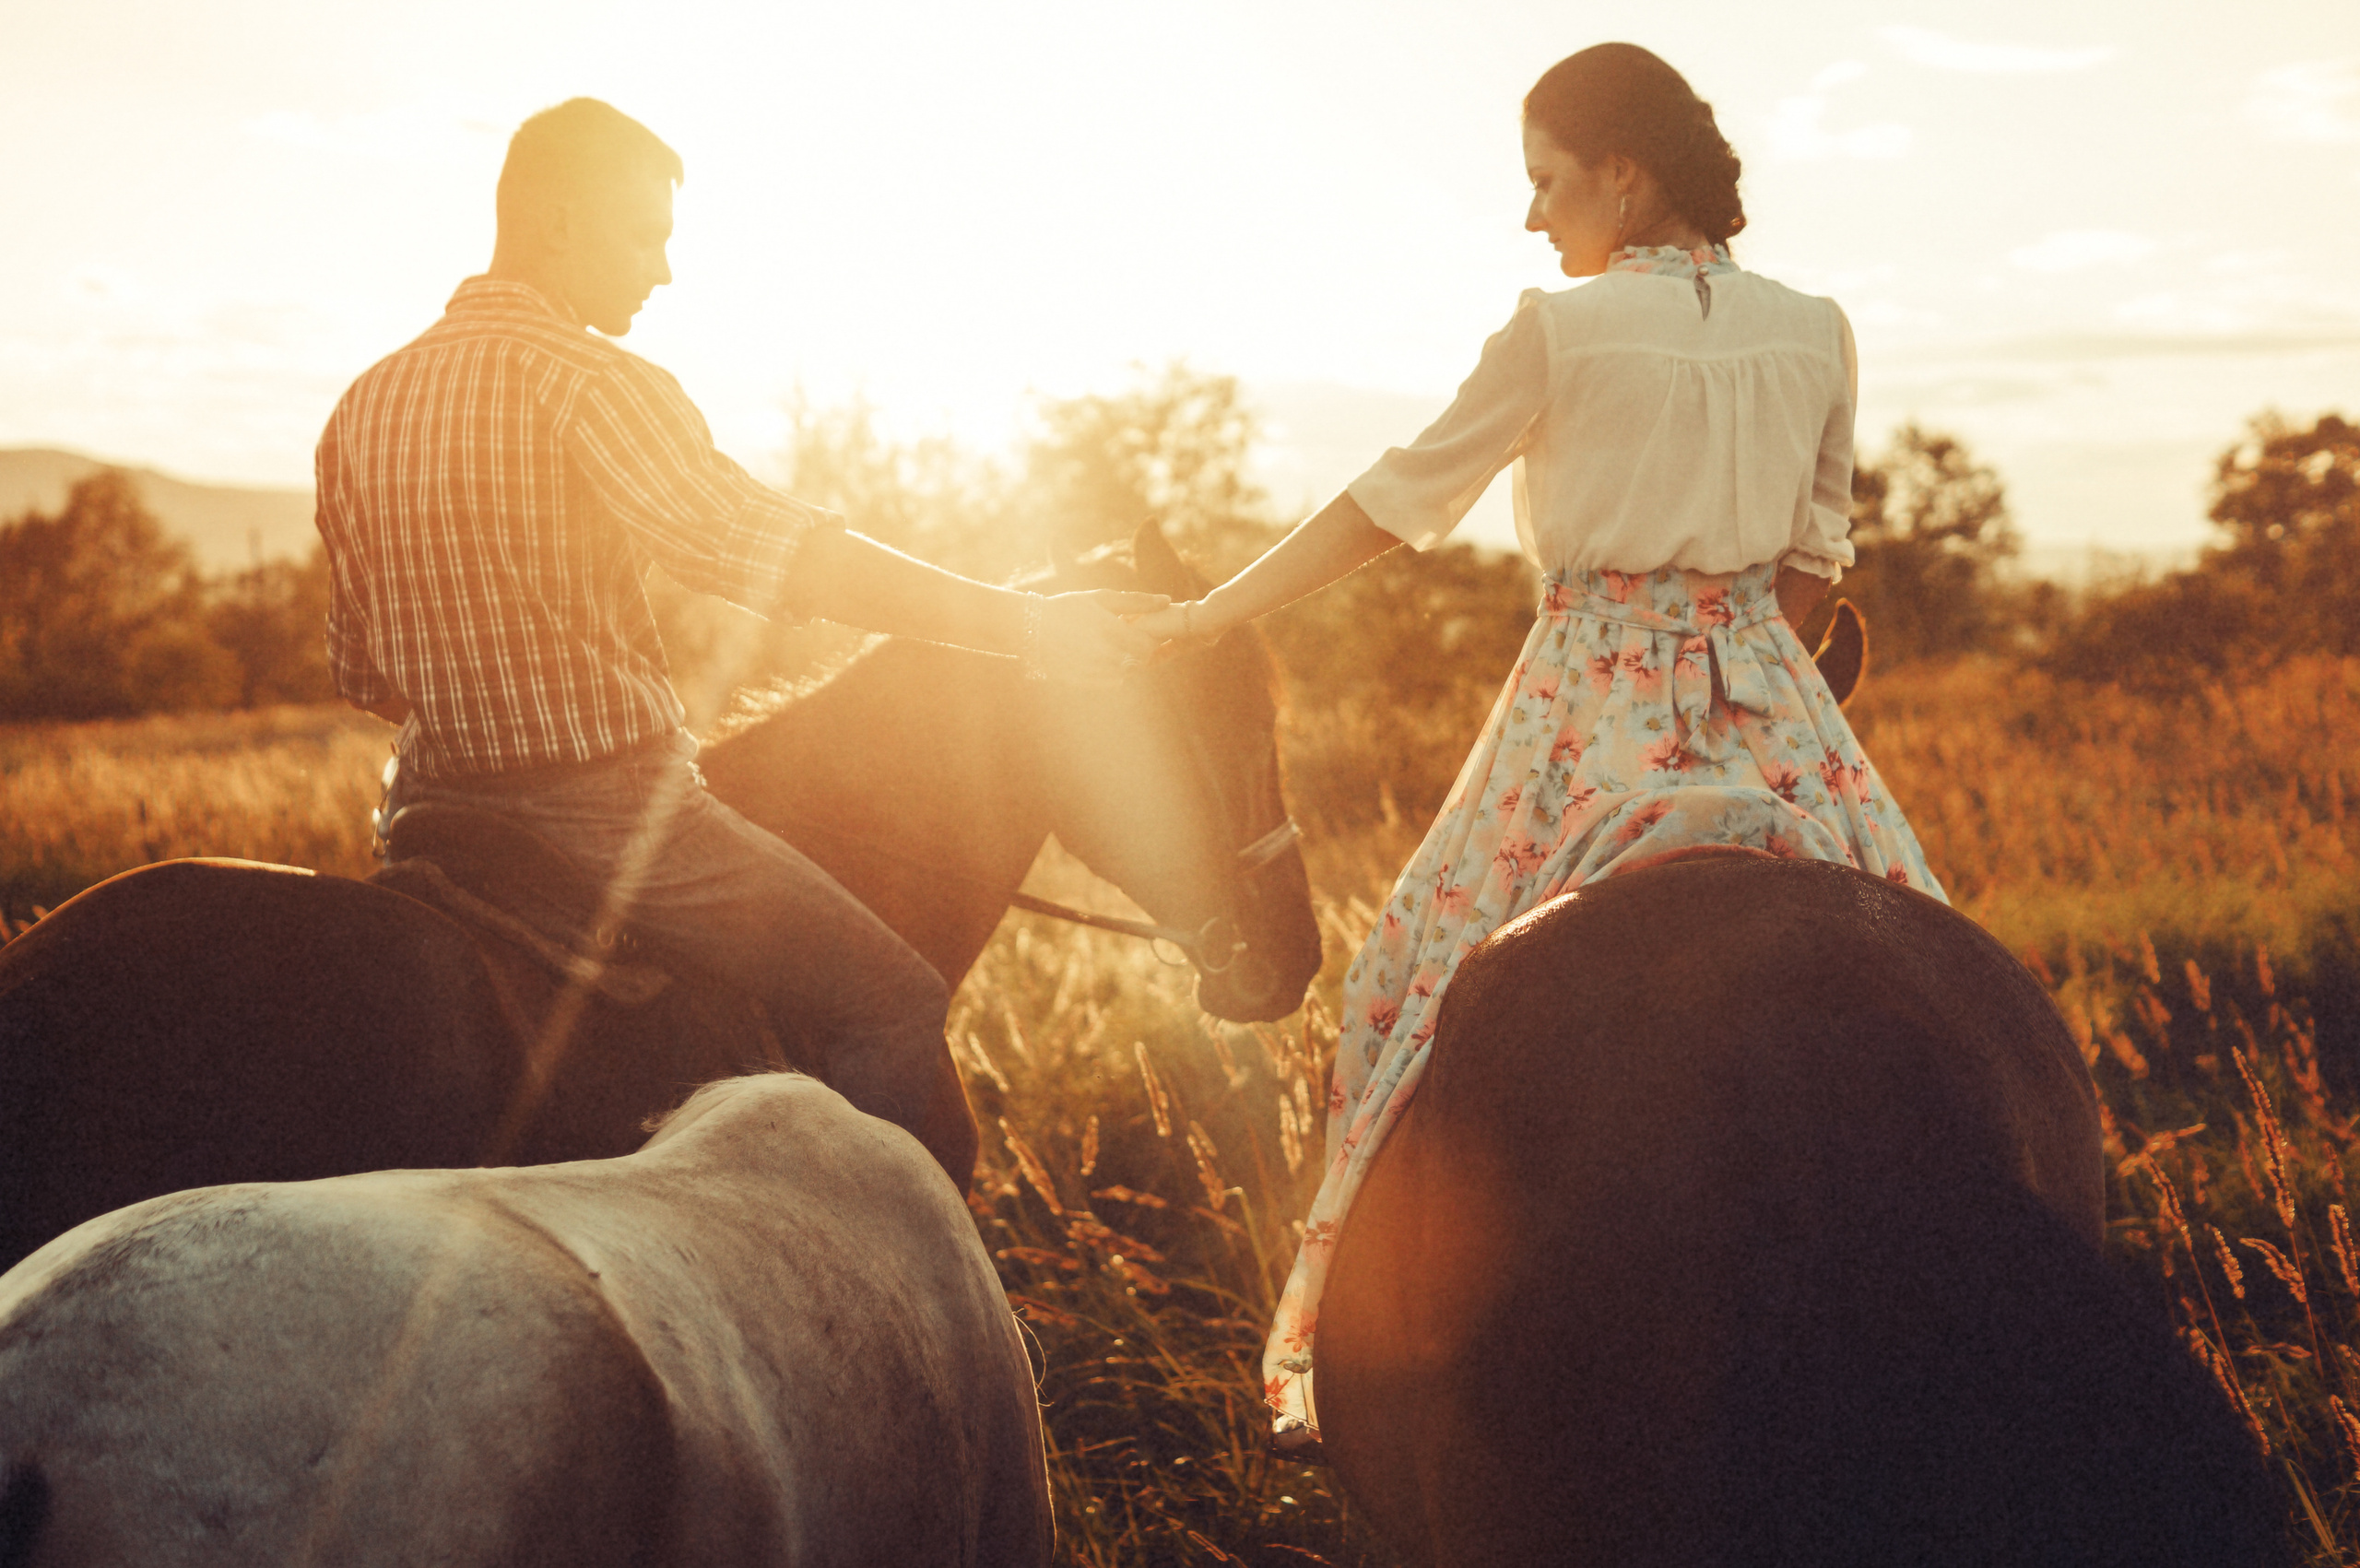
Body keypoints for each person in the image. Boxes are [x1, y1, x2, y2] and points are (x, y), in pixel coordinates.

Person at [1130, 42, 1947, 1451]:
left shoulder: (1555, 334)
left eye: (1545, 181)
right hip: (1770, 690)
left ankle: (1378, 1378)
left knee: (1404, 982)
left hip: (1590, 691)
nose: (1533, 218)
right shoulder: (1818, 326)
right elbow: (1815, 556)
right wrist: (1752, 678)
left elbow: (1396, 500)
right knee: (1931, 957)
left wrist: (1214, 608)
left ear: (1622, 175)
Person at [314, 98, 1163, 1191]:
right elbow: (777, 554)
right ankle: (930, 1327)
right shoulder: (593, 383)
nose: (662, 272)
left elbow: (363, 673)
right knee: (890, 1004)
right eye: (645, 236)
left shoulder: (361, 405)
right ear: (562, 222)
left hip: (424, 819)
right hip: (610, 820)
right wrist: (1029, 622)